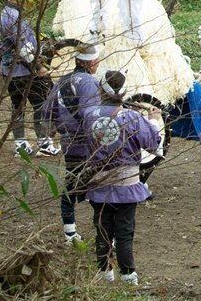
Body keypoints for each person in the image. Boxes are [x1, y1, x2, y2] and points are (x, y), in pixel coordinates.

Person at [82, 70, 163, 285]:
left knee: (102, 229)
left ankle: (104, 273)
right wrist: (153, 120)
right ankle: (128, 276)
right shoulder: (132, 117)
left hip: (98, 182)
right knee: (125, 232)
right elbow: (153, 145)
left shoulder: (88, 114)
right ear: (124, 91)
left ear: (100, 90)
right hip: (126, 184)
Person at [42, 43, 105, 244]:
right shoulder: (89, 82)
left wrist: (56, 128)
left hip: (68, 141)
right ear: (92, 63)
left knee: (70, 185)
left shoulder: (62, 81)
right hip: (87, 144)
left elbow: (47, 111)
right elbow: (93, 116)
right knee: (97, 184)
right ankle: (104, 233)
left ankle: (70, 233)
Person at [0, 0, 58, 157]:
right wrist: (38, 68)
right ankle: (43, 144)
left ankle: (21, 144)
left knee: (18, 106)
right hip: (24, 70)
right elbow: (22, 47)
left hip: (10, 70)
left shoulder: (3, 15)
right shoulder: (12, 16)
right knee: (39, 105)